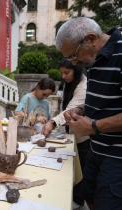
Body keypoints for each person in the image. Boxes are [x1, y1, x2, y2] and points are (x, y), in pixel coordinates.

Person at [55, 17, 122, 210]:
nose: (75, 63)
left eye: (74, 57)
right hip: (97, 151)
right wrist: (81, 110)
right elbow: (105, 99)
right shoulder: (95, 57)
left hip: (117, 158)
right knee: (89, 200)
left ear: (91, 39)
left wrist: (94, 126)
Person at [42, 59, 89, 207]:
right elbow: (64, 108)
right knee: (73, 169)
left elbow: (70, 111)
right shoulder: (69, 83)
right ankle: (74, 198)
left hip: (84, 137)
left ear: (76, 71)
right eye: (61, 72)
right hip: (72, 133)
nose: (63, 76)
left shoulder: (83, 85)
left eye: (66, 73)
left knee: (81, 171)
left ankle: (78, 201)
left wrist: (52, 122)